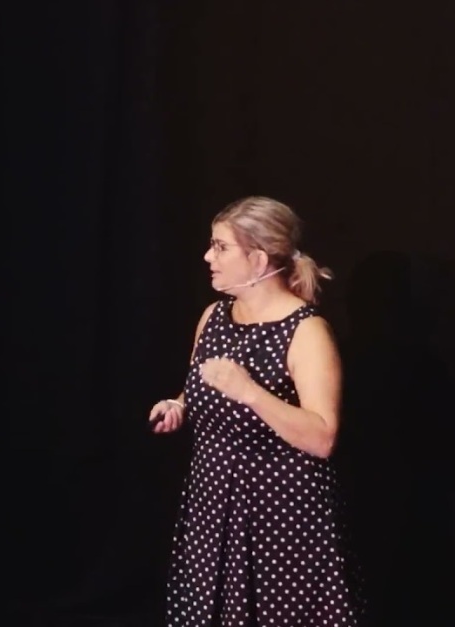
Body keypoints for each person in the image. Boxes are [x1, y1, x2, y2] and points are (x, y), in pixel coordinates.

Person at [148, 196, 367, 626]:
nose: (208, 256)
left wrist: (250, 392)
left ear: (259, 258)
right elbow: (201, 387)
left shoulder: (306, 331)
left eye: (221, 247)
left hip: (279, 516)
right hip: (213, 506)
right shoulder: (213, 317)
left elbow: (322, 437)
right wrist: (178, 405)